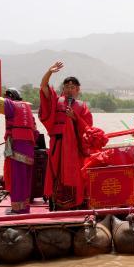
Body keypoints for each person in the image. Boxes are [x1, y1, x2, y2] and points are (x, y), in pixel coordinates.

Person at [39, 61, 94, 209]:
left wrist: (75, 117)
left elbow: (88, 128)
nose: (70, 90)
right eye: (67, 87)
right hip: (57, 143)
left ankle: (75, 205)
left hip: (74, 147)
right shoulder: (56, 101)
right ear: (63, 89)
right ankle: (55, 205)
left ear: (78, 90)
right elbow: (43, 87)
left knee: (74, 173)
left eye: (73, 87)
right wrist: (49, 72)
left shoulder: (82, 106)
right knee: (55, 173)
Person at [0, 86, 37, 214]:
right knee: (25, 179)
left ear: (11, 98)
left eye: (6, 97)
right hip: (29, 148)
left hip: (17, 147)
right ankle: (24, 207)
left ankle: (18, 209)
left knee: (17, 178)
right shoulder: (27, 108)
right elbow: (35, 130)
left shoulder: (12, 105)